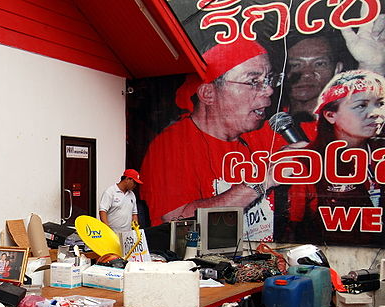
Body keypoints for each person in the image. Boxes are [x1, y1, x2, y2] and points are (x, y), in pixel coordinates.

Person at [140, 39, 279, 226]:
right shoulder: (170, 146)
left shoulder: (269, 132)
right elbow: (176, 217)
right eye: (253, 81)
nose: (269, 90)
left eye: (269, 79)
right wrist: (261, 182)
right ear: (208, 94)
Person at [287, 69, 385, 245]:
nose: (375, 113)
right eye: (361, 105)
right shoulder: (308, 163)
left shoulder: (380, 154)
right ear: (331, 115)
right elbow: (293, 230)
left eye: (380, 103)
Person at [98, 168, 142, 234]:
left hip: (127, 234)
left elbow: (134, 214)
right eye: (134, 183)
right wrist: (108, 230)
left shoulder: (132, 195)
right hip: (113, 234)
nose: (135, 186)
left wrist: (135, 230)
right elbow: (103, 211)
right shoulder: (110, 192)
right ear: (127, 179)